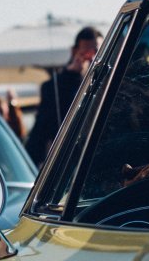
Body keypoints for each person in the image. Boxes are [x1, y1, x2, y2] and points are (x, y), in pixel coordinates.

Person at [25, 26, 102, 164]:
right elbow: (40, 135)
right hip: (70, 162)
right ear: (74, 51)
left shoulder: (109, 80)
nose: (93, 58)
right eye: (86, 52)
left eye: (97, 52)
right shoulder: (54, 87)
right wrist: (72, 76)